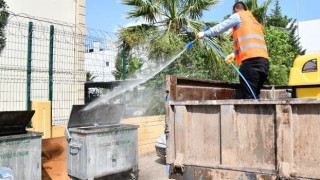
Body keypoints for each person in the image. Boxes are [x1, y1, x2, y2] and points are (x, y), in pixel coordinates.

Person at [196, 1, 269, 99]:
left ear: (235, 10)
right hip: (264, 64)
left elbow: (221, 27)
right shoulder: (254, 21)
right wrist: (234, 55)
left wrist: (205, 34)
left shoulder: (238, 16)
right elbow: (250, 45)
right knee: (254, 95)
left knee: (250, 98)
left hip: (251, 64)